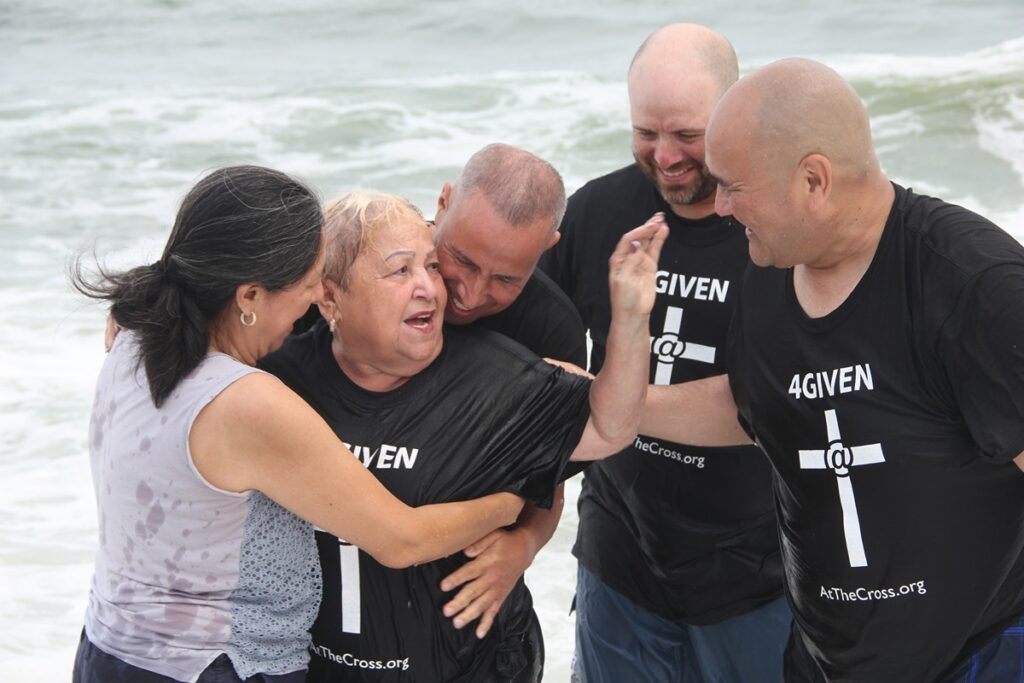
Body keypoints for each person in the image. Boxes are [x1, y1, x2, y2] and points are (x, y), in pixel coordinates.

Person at [642, 58, 1024, 681]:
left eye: (734, 186)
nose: (721, 208)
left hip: (978, 656)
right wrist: (602, 403)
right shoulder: (766, 268)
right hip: (824, 660)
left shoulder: (971, 282)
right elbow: (757, 402)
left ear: (813, 180)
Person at [70, 166, 527, 683]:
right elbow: (403, 540)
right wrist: (511, 504)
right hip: (217, 666)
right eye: (309, 286)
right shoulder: (247, 404)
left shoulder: (133, 336)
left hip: (108, 648)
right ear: (248, 298)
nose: (315, 302)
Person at [259, 190, 666, 682]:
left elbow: (610, 426)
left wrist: (631, 317)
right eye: (399, 271)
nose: (430, 289)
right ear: (329, 296)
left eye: (431, 267)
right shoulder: (273, 382)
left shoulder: (494, 380)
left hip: (471, 668)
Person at [539, 24, 789, 682]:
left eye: (686, 134)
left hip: (757, 572)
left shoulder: (776, 229)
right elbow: (516, 355)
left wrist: (606, 406)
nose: (666, 155)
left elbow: (766, 404)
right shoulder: (596, 211)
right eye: (646, 133)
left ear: (734, 113)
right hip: (620, 558)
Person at [429, 143, 587, 645]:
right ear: (442, 202)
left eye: (505, 279)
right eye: (461, 260)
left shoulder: (552, 329)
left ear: (547, 246)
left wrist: (524, 544)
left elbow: (548, 480)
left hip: (470, 595)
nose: (471, 296)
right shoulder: (366, 274)